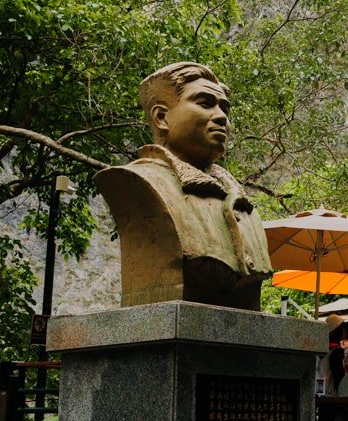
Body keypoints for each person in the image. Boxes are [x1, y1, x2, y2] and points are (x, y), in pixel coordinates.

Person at [94, 62, 271, 310]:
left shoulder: (243, 206)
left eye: (225, 109)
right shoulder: (139, 183)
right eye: (205, 103)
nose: (221, 117)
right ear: (162, 117)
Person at [325, 316, 348, 394]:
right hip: (332, 395)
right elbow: (339, 377)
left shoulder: (323, 349)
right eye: (342, 329)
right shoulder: (336, 351)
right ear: (338, 331)